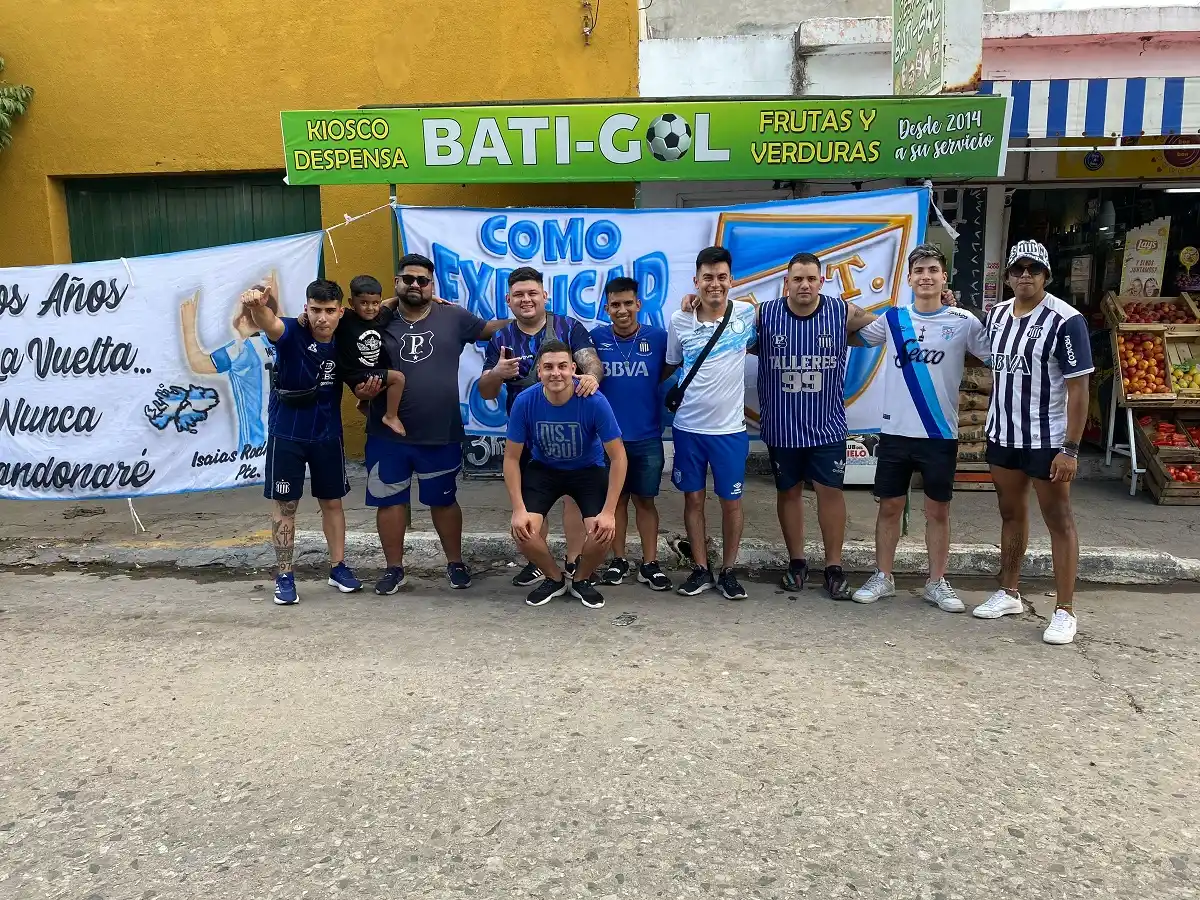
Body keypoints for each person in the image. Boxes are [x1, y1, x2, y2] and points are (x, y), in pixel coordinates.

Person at [354, 253, 512, 594]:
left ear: (432, 285)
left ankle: (455, 563)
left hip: (440, 430)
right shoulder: (378, 318)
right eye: (407, 279)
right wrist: (394, 299)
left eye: (422, 281)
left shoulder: (452, 316)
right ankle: (393, 569)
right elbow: (352, 317)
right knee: (388, 501)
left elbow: (487, 331)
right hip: (386, 432)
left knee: (443, 500)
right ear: (396, 282)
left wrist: (523, 321)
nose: (415, 285)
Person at [851, 244, 993, 610]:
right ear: (909, 279)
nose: (926, 276)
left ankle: (937, 581)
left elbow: (994, 352)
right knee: (888, 508)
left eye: (933, 270)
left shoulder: (963, 321)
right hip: (896, 431)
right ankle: (883, 576)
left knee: (938, 511)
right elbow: (853, 334)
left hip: (939, 434)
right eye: (919, 271)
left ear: (944, 277)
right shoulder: (893, 320)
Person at [972, 240, 1093, 645]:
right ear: (1007, 275)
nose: (1025, 275)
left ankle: (1064, 610)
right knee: (1010, 514)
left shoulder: (1066, 320)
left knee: (1059, 519)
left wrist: (1070, 448)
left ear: (1047, 275)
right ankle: (1009, 591)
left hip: (1047, 438)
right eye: (1018, 269)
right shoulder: (997, 315)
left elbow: (1079, 389)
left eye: (1033, 269)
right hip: (1004, 433)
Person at [756, 252, 879, 601]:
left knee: (830, 493)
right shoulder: (765, 314)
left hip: (827, 426)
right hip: (782, 426)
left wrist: (945, 303)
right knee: (789, 493)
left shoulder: (843, 312)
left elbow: (889, 328)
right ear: (787, 283)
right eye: (798, 279)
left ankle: (833, 567)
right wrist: (692, 301)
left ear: (822, 281)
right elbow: (721, 320)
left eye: (811, 278)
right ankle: (797, 562)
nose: (805, 285)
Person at [479, 267, 604, 588]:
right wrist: (497, 373)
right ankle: (539, 562)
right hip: (526, 434)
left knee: (574, 499)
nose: (526, 299)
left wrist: (591, 377)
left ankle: (574, 561)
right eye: (518, 294)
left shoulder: (568, 326)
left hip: (571, 430)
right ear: (508, 300)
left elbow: (592, 363)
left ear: (544, 296)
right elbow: (487, 392)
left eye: (532, 293)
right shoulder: (500, 339)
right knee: (533, 499)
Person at [241, 278, 361, 605]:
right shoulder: (291, 331)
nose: (322, 318)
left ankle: (338, 568)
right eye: (316, 309)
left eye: (329, 311)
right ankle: (284, 575)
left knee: (333, 503)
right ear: (306, 308)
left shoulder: (345, 335)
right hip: (288, 434)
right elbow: (269, 322)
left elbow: (379, 311)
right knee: (285, 506)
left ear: (340, 312)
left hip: (327, 434)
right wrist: (256, 305)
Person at [504, 340, 627, 610]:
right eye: (548, 367)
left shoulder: (593, 401)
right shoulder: (526, 401)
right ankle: (555, 578)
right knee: (522, 530)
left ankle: (581, 579)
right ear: (539, 371)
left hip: (587, 470)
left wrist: (609, 512)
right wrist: (517, 509)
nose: (556, 373)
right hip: (545, 468)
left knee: (602, 531)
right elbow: (511, 458)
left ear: (573, 368)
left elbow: (618, 457)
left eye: (562, 366)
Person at [665, 246, 758, 600]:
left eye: (721, 277)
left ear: (731, 280)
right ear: (696, 281)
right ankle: (700, 569)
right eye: (707, 278)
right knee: (693, 501)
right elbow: (674, 362)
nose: (715, 284)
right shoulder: (679, 320)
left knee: (731, 503)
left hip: (730, 431)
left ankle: (728, 571)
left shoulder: (747, 315)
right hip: (688, 429)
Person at [590, 277, 673, 591]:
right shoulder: (595, 339)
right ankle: (619, 560)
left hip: (648, 436)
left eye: (628, 303)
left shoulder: (660, 338)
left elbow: (668, 369)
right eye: (615, 304)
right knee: (616, 502)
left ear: (639, 304)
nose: (622, 310)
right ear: (607, 307)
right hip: (609, 441)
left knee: (646, 501)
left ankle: (650, 564)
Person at [179, 273, 278, 451]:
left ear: (244, 319)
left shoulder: (240, 350)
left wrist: (188, 324)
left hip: (254, 446)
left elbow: (197, 363)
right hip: (282, 437)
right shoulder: (278, 341)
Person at [335, 275, 406, 436]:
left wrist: (432, 298)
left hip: (370, 369)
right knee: (398, 378)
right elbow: (324, 315)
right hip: (354, 373)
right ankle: (391, 416)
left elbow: (390, 303)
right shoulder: (345, 318)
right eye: (364, 303)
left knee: (388, 362)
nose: (370, 308)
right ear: (352, 303)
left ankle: (363, 403)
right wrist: (303, 317)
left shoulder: (381, 316)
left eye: (375, 303)